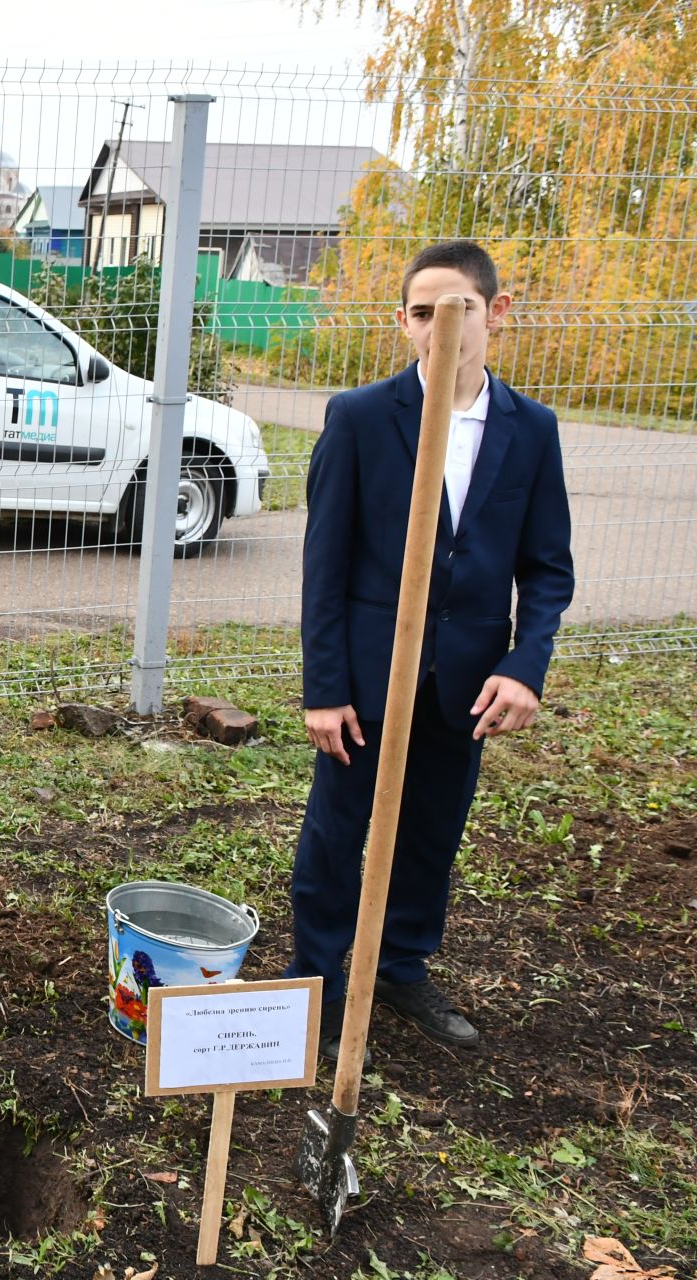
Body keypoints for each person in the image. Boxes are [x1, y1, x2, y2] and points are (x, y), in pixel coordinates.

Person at [288, 240, 574, 1057]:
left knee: (432, 829)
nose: (438, 327)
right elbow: (324, 568)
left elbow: (548, 569)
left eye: (460, 310)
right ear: (403, 320)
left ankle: (403, 967)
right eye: (422, 312)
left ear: (499, 311)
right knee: (340, 830)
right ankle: (318, 978)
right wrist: (325, 687)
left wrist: (525, 665)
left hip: (468, 681)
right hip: (370, 678)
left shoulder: (531, 430)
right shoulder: (362, 418)